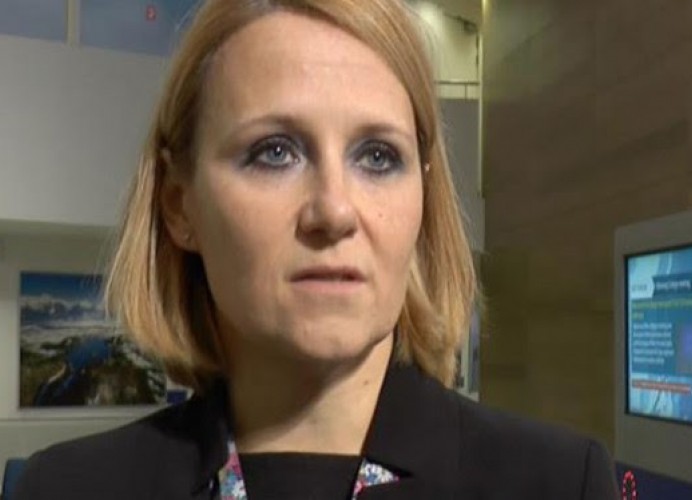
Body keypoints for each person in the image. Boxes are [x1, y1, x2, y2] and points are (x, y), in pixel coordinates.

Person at [13, 0, 619, 498]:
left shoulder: (559, 483)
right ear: (180, 205)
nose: (334, 211)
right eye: (275, 151)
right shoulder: (67, 488)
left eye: (378, 156)